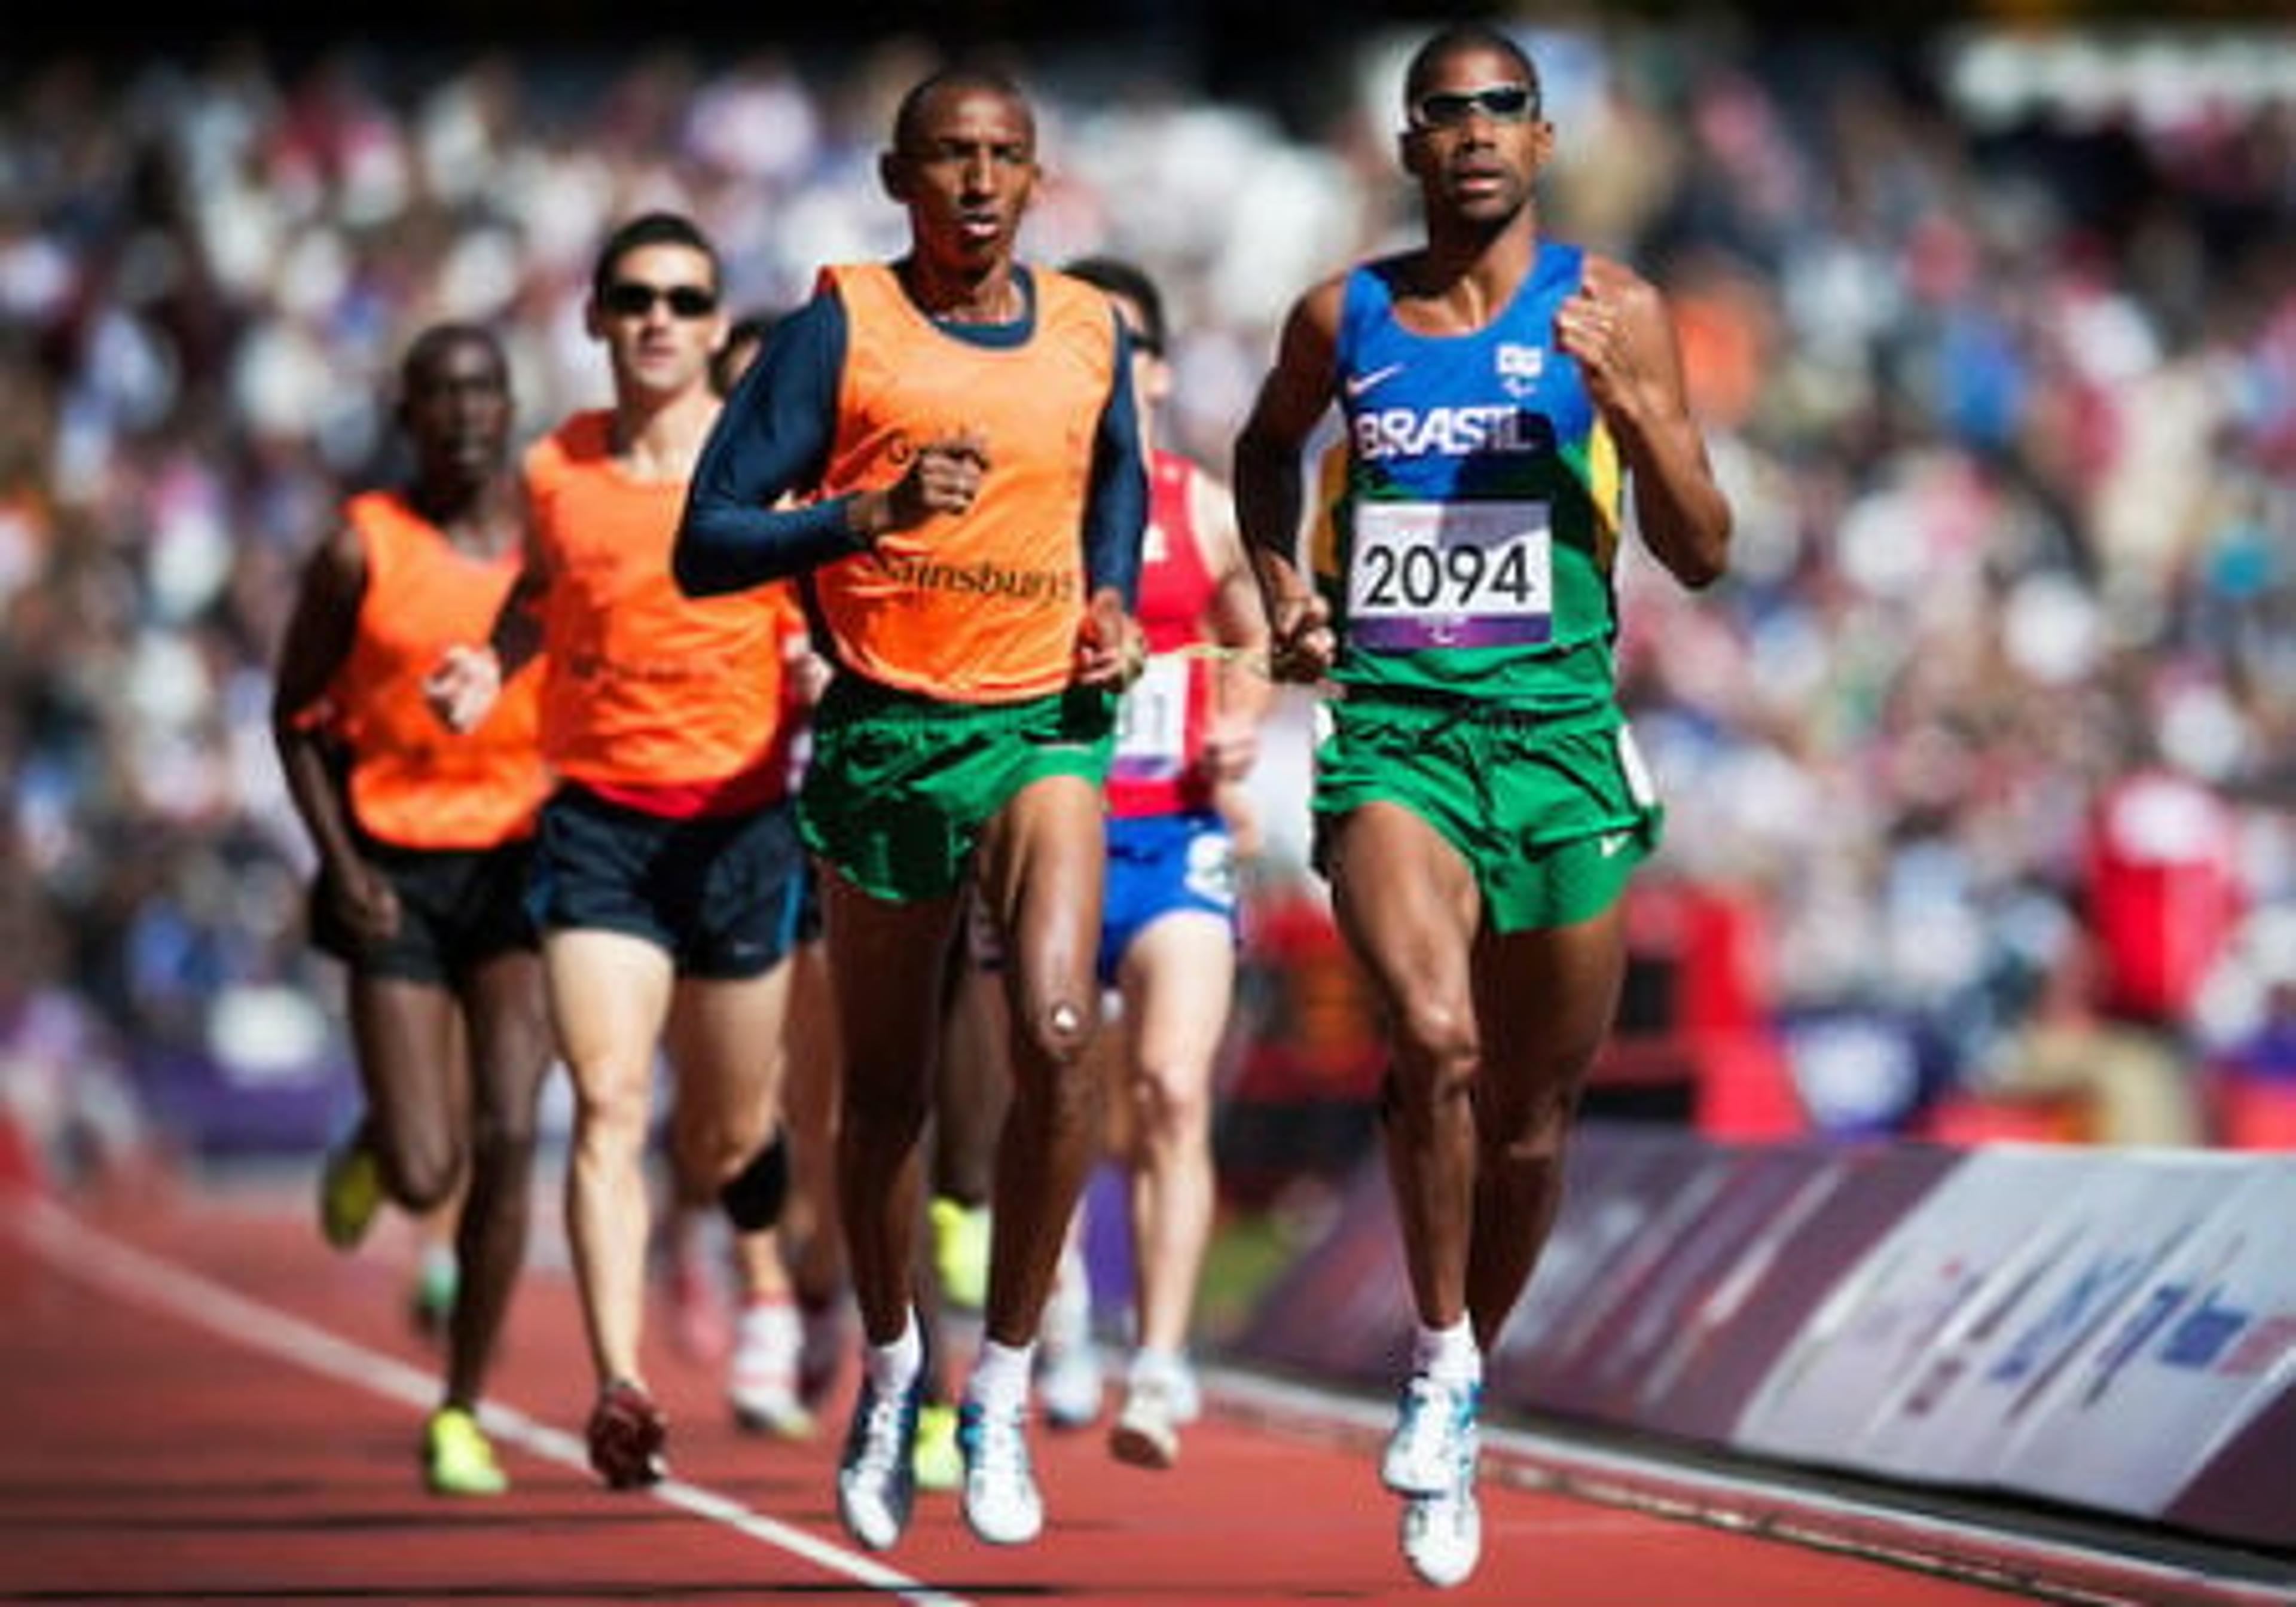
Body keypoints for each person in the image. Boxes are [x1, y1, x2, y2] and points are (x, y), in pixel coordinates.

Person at [1231, 24, 1732, 1589]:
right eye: (1442, 113)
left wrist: (1634, 409)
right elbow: (1261, 454)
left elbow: (1705, 545)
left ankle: (1462, 1376)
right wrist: (1284, 584)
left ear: (1543, 135)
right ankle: (1438, 1351)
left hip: (1564, 745)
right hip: (1398, 736)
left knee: (1530, 1118)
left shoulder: (1616, 308)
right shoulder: (1347, 314)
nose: (1472, 134)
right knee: (1433, 1042)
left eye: (1499, 109)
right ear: (1407, 146)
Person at [673, 63, 1147, 1553]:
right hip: (887, 733)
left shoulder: (1085, 328)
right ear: (900, 178)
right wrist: (864, 516)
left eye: (1006, 155)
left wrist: (1117, 595)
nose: (980, 181)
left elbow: (1116, 479)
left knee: (1061, 1031)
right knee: (881, 1100)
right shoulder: (841, 325)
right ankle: (895, 1371)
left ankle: (1002, 1383)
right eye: (950, 157)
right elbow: (707, 541)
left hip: (1043, 728)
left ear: (1036, 174)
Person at [425, 213, 808, 1489]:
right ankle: (622, 1384)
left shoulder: (767, 470)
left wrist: (818, 661)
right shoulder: (556, 468)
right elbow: (541, 593)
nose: (656, 319)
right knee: (602, 1100)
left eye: (683, 300)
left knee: (728, 1134)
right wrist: (496, 659)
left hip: (745, 828)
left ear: (713, 325)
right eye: (633, 297)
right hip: (602, 831)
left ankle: (706, 1216)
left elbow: (833, 610)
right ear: (596, 319)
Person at [271, 323, 557, 1498]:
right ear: (409, 414)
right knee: (431, 1165)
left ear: (508, 405)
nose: (466, 413)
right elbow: (293, 717)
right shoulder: (360, 548)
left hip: (521, 870)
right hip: (394, 869)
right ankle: (379, 1142)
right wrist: (336, 864)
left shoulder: (552, 542)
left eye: (483, 390)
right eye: (440, 395)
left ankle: (462, 1408)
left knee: (507, 1135)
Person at [1049, 253, 1272, 1468]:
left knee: (1175, 1090)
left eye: (1126, 348)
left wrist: (1242, 720)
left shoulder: (1201, 507)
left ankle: (1162, 1360)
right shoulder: (1031, 515)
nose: (1109, 374)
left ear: (1163, 370)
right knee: (1059, 1095)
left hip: (1174, 831)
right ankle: (1068, 1310)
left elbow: (1259, 637)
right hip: (1053, 845)